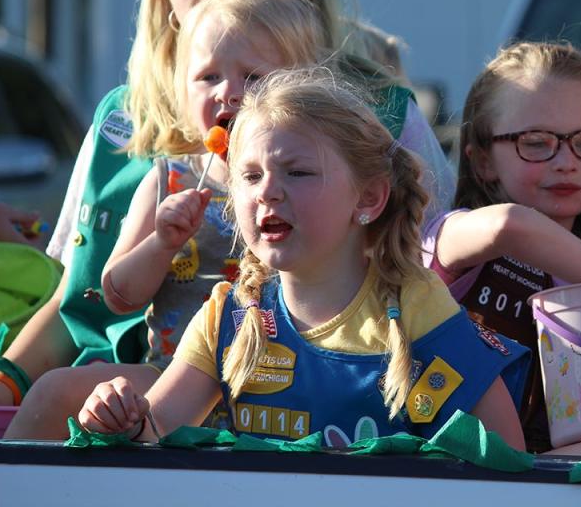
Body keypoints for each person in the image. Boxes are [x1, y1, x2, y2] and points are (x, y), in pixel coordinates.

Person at [0, 0, 454, 410]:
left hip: (324, 389)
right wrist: (8, 383)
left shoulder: (378, 109)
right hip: (133, 395)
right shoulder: (125, 120)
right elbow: (80, 300)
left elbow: (435, 258)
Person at [76, 69, 527, 449]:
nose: (268, 191)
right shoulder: (226, 318)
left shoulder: (414, 306)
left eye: (298, 172)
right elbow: (153, 435)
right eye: (250, 176)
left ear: (368, 197)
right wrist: (121, 418)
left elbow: (504, 457)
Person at [4, 0, 329, 437]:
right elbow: (117, 294)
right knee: (56, 392)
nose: (227, 92)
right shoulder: (168, 180)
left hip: (288, 381)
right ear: (181, 88)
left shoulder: (316, 181)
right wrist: (161, 243)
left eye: (253, 77)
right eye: (208, 76)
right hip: (172, 375)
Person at [422, 42, 581, 452]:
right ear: (482, 160)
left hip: (548, 476)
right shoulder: (453, 238)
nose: (566, 161)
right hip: (452, 475)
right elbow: (511, 225)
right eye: (536, 142)